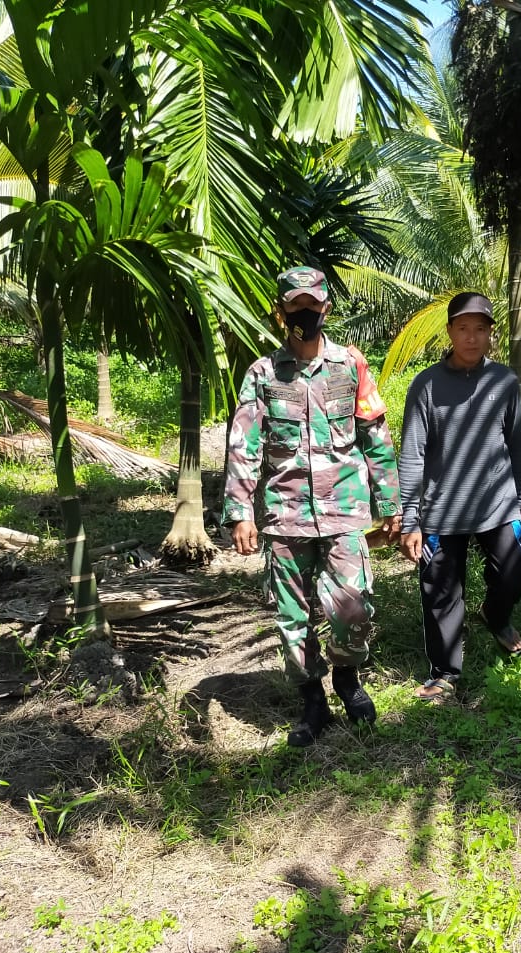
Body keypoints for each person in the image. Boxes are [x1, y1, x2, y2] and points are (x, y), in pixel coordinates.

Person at [222, 266, 399, 746]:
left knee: (351, 608)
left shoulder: (350, 365)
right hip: (286, 513)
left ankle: (348, 680)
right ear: (281, 312)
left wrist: (391, 503)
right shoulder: (262, 374)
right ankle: (313, 701)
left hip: (345, 509)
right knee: (293, 616)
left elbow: (375, 437)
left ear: (326, 308)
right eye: (295, 306)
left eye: (312, 305)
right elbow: (244, 446)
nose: (305, 313)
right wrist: (240, 512)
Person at [398, 291, 521, 702]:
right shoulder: (426, 385)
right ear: (451, 332)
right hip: (441, 512)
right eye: (463, 328)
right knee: (441, 593)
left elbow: (516, 444)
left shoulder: (504, 382)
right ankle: (444, 673)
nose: (471, 337)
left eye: (480, 329)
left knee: (515, 570)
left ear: (491, 334)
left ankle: (495, 614)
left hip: (499, 504)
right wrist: (410, 519)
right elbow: (412, 453)